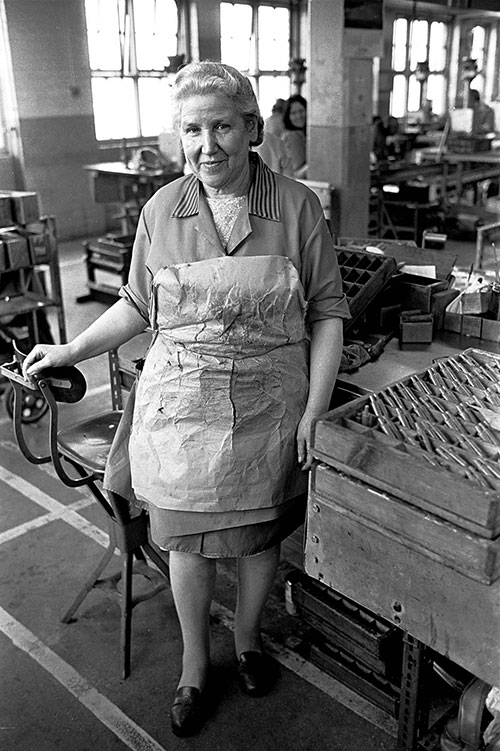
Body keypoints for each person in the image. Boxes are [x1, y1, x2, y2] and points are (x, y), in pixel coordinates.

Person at [22, 61, 349, 737]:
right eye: (193, 129)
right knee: (189, 546)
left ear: (252, 128)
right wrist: (70, 350)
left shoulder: (296, 206)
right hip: (180, 413)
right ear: (179, 136)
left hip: (270, 410)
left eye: (223, 126)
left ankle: (249, 640)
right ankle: (195, 666)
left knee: (258, 541)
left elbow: (327, 313)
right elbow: (137, 305)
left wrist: (315, 410)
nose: (208, 145)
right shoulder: (160, 210)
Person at [281, 94, 308, 179]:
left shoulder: (298, 133)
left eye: (301, 111)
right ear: (288, 116)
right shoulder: (293, 137)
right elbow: (296, 175)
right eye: (293, 113)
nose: (299, 116)